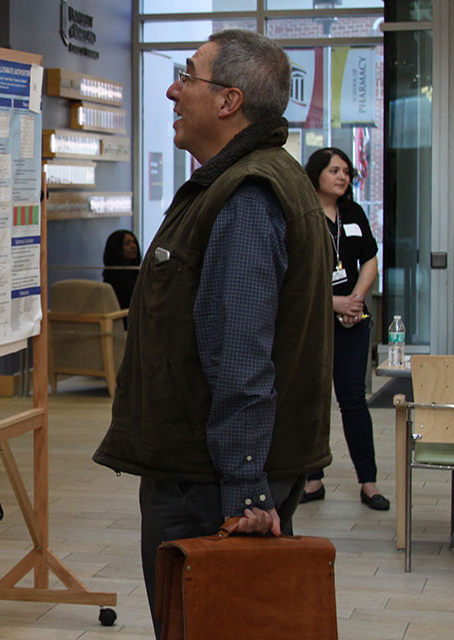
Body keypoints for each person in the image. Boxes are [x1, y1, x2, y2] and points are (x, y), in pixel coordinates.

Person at [92, 30, 333, 638]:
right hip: (217, 468)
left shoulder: (248, 196)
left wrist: (246, 490)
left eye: (187, 77)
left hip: (209, 479)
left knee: (204, 623)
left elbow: (242, 354)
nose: (172, 90)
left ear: (228, 101)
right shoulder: (248, 182)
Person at [300, 148, 387, 510]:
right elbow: (295, 274)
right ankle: (312, 478)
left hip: (353, 318)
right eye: (334, 170)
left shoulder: (353, 213)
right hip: (314, 319)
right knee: (313, 400)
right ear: (316, 174)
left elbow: (369, 259)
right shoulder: (302, 214)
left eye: (347, 172)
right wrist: (333, 303)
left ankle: (368, 482)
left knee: (353, 399)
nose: (342, 177)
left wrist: (355, 299)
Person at [102, 229, 141, 310]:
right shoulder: (115, 276)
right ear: (116, 248)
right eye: (127, 243)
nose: (134, 246)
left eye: (134, 242)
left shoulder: (135, 272)